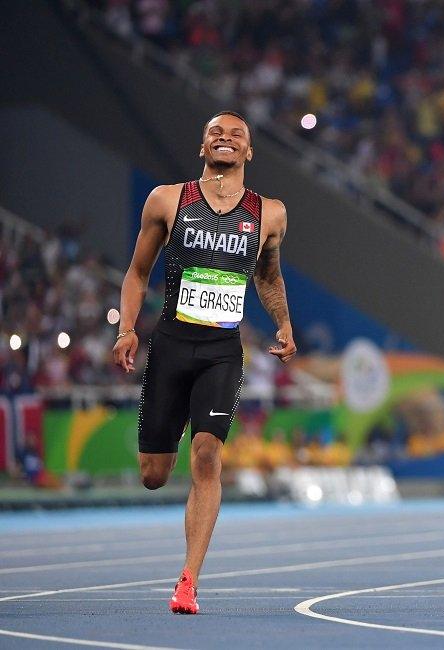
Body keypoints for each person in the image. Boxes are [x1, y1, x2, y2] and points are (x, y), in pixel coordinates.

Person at [112, 111, 296, 614]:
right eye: (216, 132)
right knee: (154, 473)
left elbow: (269, 276)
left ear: (249, 152)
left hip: (221, 351)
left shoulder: (269, 213)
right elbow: (137, 272)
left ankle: (188, 580)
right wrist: (127, 328)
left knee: (208, 455)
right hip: (171, 346)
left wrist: (283, 323)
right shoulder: (168, 200)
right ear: (202, 146)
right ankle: (160, 459)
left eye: (237, 134)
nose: (226, 138)